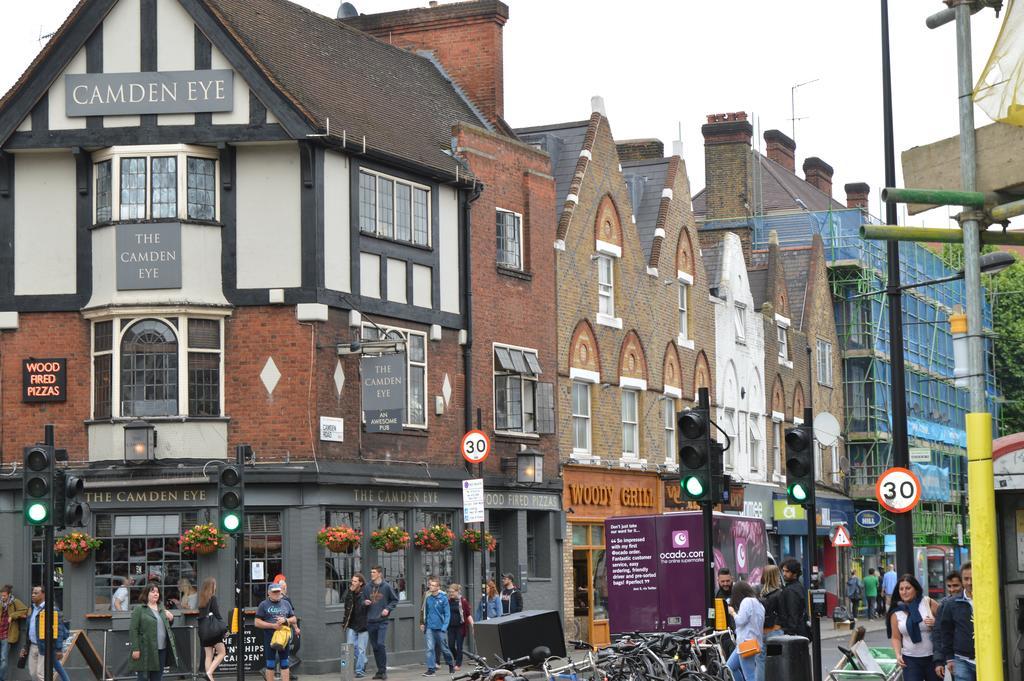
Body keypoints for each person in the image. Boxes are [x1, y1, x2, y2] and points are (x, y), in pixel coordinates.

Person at [886, 574, 939, 681]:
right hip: (910, 660)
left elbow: (946, 624)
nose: (904, 592)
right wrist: (898, 655)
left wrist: (935, 623)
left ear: (915, 589)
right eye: (901, 589)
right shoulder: (896, 612)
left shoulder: (928, 602)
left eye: (908, 588)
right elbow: (895, 637)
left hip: (933, 658)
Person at [128, 583, 179, 681]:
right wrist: (135, 648)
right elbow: (133, 629)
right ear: (146, 594)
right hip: (145, 650)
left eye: (157, 592)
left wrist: (171, 619)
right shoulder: (139, 609)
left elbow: (165, 626)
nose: (156, 594)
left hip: (161, 649)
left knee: (157, 678)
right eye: (153, 592)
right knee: (143, 678)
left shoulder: (161, 607)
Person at [935, 562, 975, 681]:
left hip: (987, 658)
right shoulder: (950, 604)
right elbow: (945, 632)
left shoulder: (989, 599)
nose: (969, 582)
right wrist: (948, 658)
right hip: (962, 659)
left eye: (972, 578)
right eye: (966, 579)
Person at [255, 582, 299, 681]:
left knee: (285, 663)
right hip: (270, 637)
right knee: (270, 664)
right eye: (274, 592)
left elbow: (294, 619)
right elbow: (257, 622)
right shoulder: (263, 604)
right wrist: (272, 626)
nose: (277, 594)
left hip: (283, 637)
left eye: (278, 592)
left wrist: (286, 620)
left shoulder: (286, 603)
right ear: (268, 593)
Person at [25, 585, 70, 681]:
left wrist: (58, 649)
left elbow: (59, 630)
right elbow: (29, 628)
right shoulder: (32, 609)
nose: (33, 595)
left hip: (44, 645)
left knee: (41, 674)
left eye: (36, 593)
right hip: (33, 645)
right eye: (32, 593)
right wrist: (25, 646)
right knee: (33, 673)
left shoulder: (51, 609)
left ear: (43, 594)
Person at [363, 566, 399, 680]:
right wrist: (365, 602)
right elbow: (361, 600)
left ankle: (383, 671)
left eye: (373, 572)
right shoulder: (367, 587)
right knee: (375, 647)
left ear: (379, 574)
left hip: (382, 621)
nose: (371, 574)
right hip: (370, 621)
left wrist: (387, 609)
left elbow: (394, 600)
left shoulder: (387, 587)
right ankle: (379, 671)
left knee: (380, 644)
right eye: (371, 572)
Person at [725, 581, 765, 681]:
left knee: (749, 675)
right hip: (752, 643)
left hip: (746, 643)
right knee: (730, 667)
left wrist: (733, 612)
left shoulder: (746, 601)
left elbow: (740, 621)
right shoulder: (759, 604)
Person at [419, 576, 454, 676]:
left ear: (438, 587)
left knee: (444, 649)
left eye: (433, 585)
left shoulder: (443, 599)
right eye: (430, 585)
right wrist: (423, 623)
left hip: (440, 628)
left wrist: (444, 627)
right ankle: (431, 669)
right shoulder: (428, 598)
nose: (431, 587)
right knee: (430, 648)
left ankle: (451, 664)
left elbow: (447, 614)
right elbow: (425, 611)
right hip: (429, 627)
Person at [930, 571, 962, 675]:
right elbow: (938, 634)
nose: (952, 589)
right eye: (949, 586)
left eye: (956, 585)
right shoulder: (944, 605)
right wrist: (938, 661)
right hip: (953, 658)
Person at [758, 566, 784, 681]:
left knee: (760, 662)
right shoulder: (779, 593)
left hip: (761, 632)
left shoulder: (759, 593)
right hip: (775, 632)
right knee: (777, 662)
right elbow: (783, 614)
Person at [197, 578, 226, 681]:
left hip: (203, 631)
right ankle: (209, 673)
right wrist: (224, 628)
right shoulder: (212, 598)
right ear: (212, 586)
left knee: (208, 655)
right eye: (215, 585)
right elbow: (217, 615)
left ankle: (210, 678)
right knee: (222, 652)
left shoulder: (202, 600)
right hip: (212, 631)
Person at [0, 584, 29, 681]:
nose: (2, 597)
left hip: (6, 635)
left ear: (9, 595)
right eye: (1, 595)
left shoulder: (15, 602)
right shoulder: (0, 603)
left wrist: (12, 615)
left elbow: (26, 610)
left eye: (4, 596)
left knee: (3, 659)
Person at [343, 574, 370, 679]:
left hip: (363, 625)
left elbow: (368, 603)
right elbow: (346, 605)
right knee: (351, 648)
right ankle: (364, 661)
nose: (352, 583)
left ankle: (360, 671)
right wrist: (350, 592)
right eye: (352, 581)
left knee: (361, 649)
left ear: (360, 583)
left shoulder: (366, 592)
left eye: (355, 581)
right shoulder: (350, 592)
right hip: (352, 624)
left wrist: (365, 603)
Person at [778, 559, 810, 638]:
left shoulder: (791, 590)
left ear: (795, 573)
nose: (784, 574)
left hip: (793, 633)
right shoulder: (797, 586)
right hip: (799, 631)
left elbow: (793, 614)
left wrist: (790, 633)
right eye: (783, 571)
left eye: (787, 571)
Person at [446, 584, 472, 672]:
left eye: (452, 592)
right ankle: (457, 657)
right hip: (450, 627)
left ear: (457, 592)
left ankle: (458, 664)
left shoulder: (463, 601)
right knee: (451, 645)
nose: (451, 594)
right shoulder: (448, 601)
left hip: (460, 627)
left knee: (459, 646)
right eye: (449, 592)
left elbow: (468, 614)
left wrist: (473, 625)